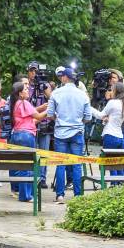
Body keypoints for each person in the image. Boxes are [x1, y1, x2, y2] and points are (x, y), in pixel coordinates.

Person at [46, 64, 93, 202]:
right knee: (77, 164)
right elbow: (88, 117)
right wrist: (78, 123)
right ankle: (78, 196)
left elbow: (49, 115)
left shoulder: (55, 93)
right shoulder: (83, 95)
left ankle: (60, 195)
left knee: (61, 164)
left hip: (60, 133)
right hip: (77, 133)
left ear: (64, 78)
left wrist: (59, 119)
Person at [8, 80, 47, 203]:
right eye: (25, 89)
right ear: (20, 93)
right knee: (29, 166)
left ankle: (23, 193)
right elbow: (39, 117)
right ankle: (26, 195)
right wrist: (50, 109)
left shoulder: (15, 104)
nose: (28, 91)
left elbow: (29, 121)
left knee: (22, 165)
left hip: (16, 135)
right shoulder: (24, 103)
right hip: (26, 136)